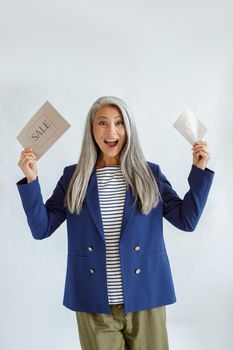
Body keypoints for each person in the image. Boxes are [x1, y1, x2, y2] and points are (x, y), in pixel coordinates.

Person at [17, 96, 215, 350]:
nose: (111, 131)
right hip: (94, 303)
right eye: (102, 123)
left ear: (128, 129)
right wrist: (31, 180)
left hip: (147, 297)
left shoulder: (149, 174)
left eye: (119, 123)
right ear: (91, 129)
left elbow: (186, 220)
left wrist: (199, 171)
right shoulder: (73, 177)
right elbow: (41, 228)